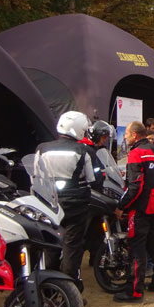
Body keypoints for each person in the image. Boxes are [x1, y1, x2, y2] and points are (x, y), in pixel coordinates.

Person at [34, 111, 94, 287]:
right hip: (76, 205)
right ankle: (69, 288)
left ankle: (47, 285)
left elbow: (37, 176)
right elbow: (91, 178)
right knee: (72, 247)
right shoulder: (83, 150)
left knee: (51, 243)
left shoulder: (42, 148)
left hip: (50, 205)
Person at [115, 121, 154, 302]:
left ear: (135, 135)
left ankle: (135, 291)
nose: (125, 136)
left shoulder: (136, 153)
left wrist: (121, 205)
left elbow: (134, 187)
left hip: (142, 207)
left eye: (127, 134)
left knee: (137, 247)